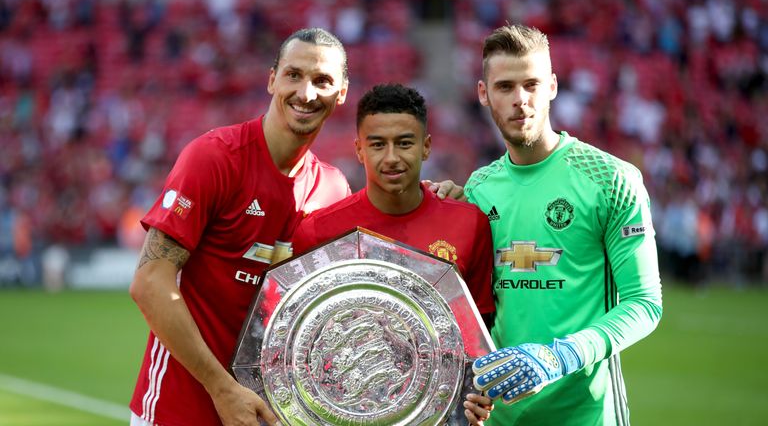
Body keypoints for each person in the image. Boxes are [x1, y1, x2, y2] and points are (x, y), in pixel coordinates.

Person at [128, 29, 461, 426]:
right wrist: (223, 389)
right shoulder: (214, 158)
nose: (306, 93)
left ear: (341, 93)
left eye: (322, 81)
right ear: (272, 79)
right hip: (179, 408)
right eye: (293, 75)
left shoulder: (333, 189)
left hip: (272, 415)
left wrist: (433, 199)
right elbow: (149, 283)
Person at [462, 24, 663, 426]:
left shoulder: (611, 179)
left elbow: (645, 304)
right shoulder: (477, 189)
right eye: (505, 87)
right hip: (497, 418)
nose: (521, 100)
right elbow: (474, 309)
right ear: (484, 94)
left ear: (552, 86)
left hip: (585, 415)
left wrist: (560, 356)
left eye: (532, 84)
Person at [292, 83, 495, 322]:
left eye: (404, 143)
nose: (391, 158)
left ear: (426, 147)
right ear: (359, 150)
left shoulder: (470, 224)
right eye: (378, 145)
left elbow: (479, 331)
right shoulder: (317, 233)